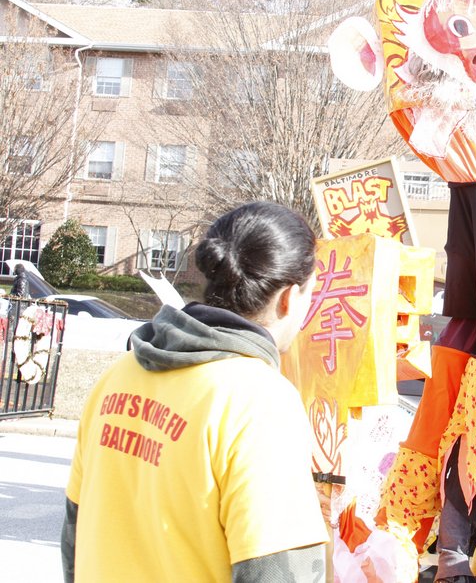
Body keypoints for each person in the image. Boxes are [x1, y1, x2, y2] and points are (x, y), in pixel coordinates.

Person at [61, 201, 329, 583]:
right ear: (289, 297)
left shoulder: (119, 376)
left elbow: (75, 530)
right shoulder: (259, 401)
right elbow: (279, 569)